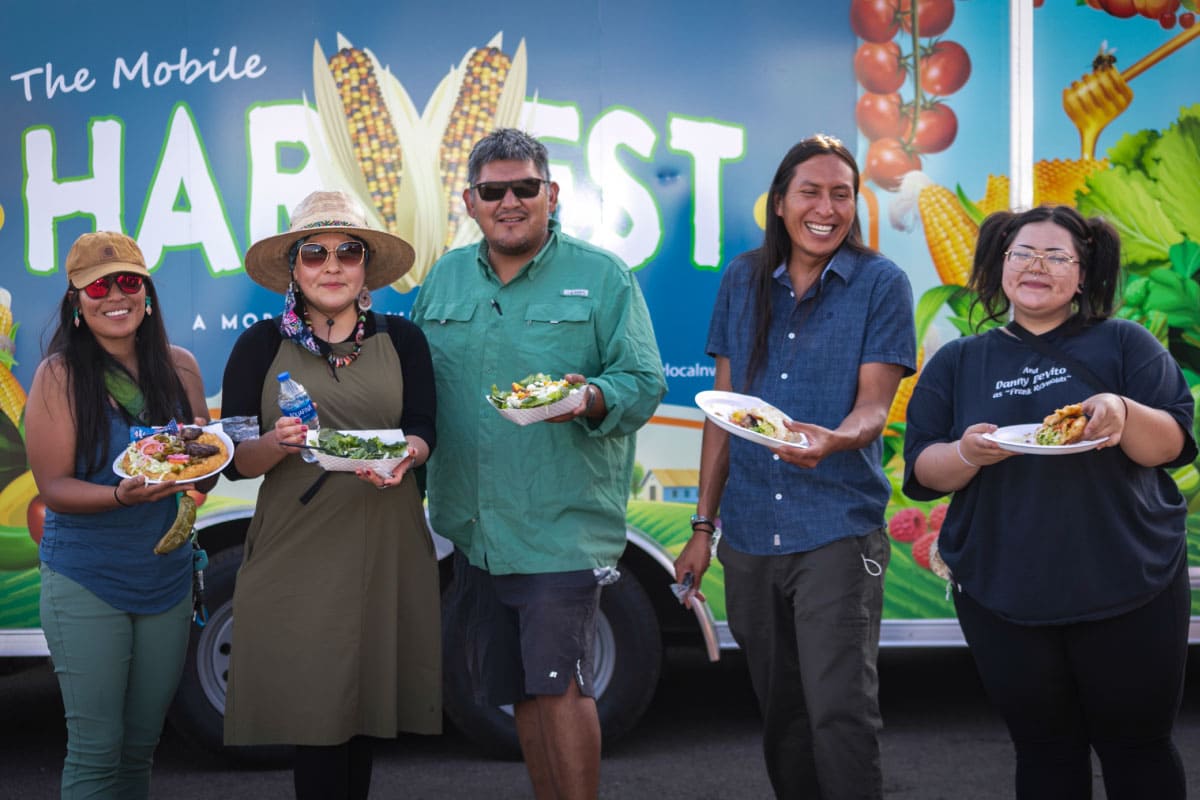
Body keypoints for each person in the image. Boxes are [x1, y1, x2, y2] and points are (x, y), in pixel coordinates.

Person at [902, 205, 1194, 800]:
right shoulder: (960, 360)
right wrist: (968, 453)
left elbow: (1172, 446)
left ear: (1082, 275)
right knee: (1044, 751)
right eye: (1022, 254)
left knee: (1137, 749)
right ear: (1000, 266)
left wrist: (1122, 410)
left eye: (1057, 256)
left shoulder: (1125, 344)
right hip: (1004, 593)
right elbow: (924, 470)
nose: (1037, 265)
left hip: (1128, 584)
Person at [411, 128, 666, 800]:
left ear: (551, 195)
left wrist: (589, 397)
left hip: (559, 526)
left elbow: (643, 382)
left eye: (526, 187)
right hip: (475, 530)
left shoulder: (601, 275)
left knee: (560, 689)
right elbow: (415, 389)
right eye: (494, 191)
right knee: (518, 692)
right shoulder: (442, 279)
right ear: (470, 202)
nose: (511, 201)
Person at [674, 134, 916, 800]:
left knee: (839, 710)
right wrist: (703, 527)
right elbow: (721, 415)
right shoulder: (742, 279)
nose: (827, 207)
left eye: (842, 193)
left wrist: (832, 440)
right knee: (782, 711)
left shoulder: (880, 284)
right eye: (810, 191)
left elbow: (874, 409)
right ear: (779, 203)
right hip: (750, 535)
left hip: (836, 528)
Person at [220, 191, 439, 799]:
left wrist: (405, 456)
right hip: (298, 553)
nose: (332, 265)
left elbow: (425, 430)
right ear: (294, 268)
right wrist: (277, 441)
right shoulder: (258, 346)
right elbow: (236, 463)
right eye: (314, 253)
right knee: (315, 718)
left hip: (383, 540)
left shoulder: (405, 340)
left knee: (363, 711)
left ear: (366, 265)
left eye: (348, 251)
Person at [26, 231, 215, 799]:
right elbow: (54, 487)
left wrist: (213, 465)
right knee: (95, 752)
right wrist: (118, 496)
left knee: (139, 750)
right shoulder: (58, 377)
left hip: (165, 579)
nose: (116, 295)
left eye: (129, 281)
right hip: (87, 579)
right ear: (77, 303)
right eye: (98, 285)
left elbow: (204, 463)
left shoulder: (180, 368)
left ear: (147, 294)